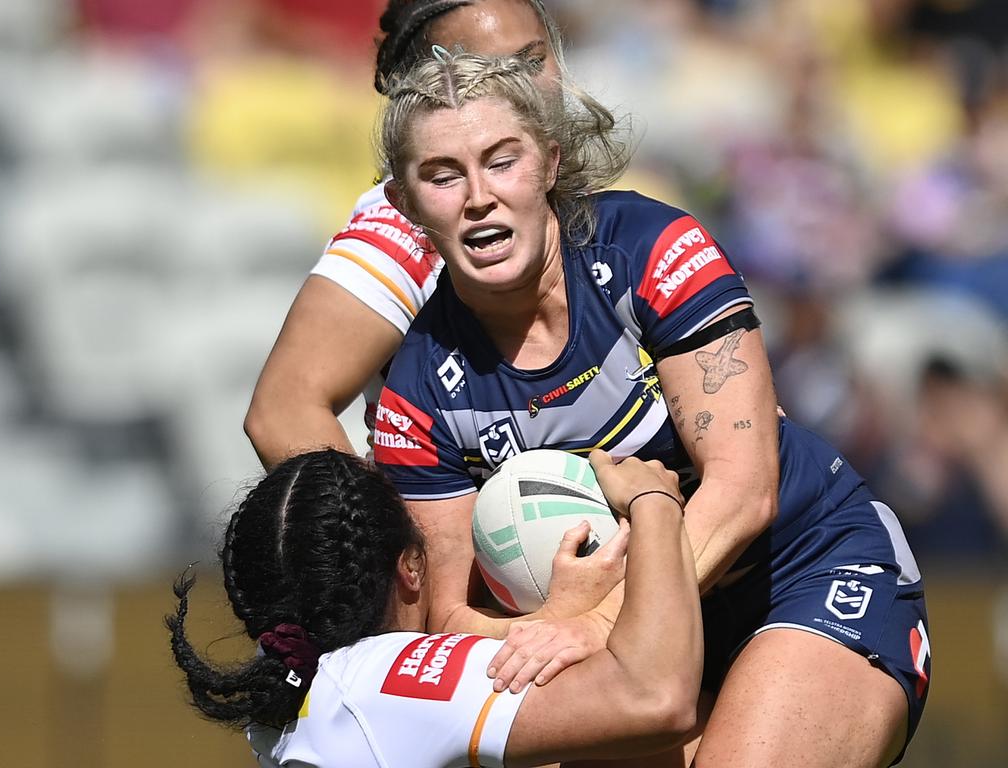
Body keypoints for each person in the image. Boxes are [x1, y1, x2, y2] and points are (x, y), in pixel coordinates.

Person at [371, 51, 931, 767]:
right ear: (406, 203)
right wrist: (556, 617)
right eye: (443, 175)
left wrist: (600, 620)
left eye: (500, 161)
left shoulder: (651, 252)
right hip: (620, 640)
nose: (478, 195)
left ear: (548, 162)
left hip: (799, 571)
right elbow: (447, 618)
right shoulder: (418, 392)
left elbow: (742, 489)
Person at [166, 448, 703, 767]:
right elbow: (655, 699)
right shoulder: (383, 680)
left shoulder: (289, 699)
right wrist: (652, 502)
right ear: (411, 567)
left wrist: (558, 618)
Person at [244, 0, 570, 464]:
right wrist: (396, 537)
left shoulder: (579, 186)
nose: (525, 86)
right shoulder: (410, 228)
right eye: (488, 71)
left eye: (533, 61)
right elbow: (282, 411)